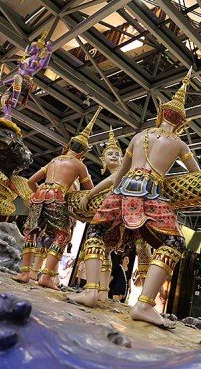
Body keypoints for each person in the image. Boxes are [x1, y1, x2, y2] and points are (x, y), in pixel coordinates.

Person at [70, 68, 201, 330]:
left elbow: (120, 172)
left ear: (161, 115)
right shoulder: (179, 144)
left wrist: (108, 195)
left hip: (123, 188)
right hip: (151, 190)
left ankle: (92, 290)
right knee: (175, 241)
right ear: (181, 123)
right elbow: (196, 175)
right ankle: (144, 303)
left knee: (96, 230)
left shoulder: (140, 136)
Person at [12, 109, 99, 288]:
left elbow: (31, 181)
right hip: (57, 196)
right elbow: (90, 190)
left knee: (31, 232)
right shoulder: (79, 165)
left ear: (69, 145)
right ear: (83, 152)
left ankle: (25, 273)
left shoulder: (54, 160)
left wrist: (37, 194)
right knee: (63, 235)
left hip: (40, 194)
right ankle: (45, 276)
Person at [79, 127, 154, 302]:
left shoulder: (124, 172)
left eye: (117, 154)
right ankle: (102, 291)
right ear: (102, 160)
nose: (114, 156)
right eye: (110, 154)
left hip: (134, 212)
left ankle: (146, 299)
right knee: (105, 250)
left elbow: (110, 181)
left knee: (142, 248)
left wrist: (89, 195)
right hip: (119, 217)